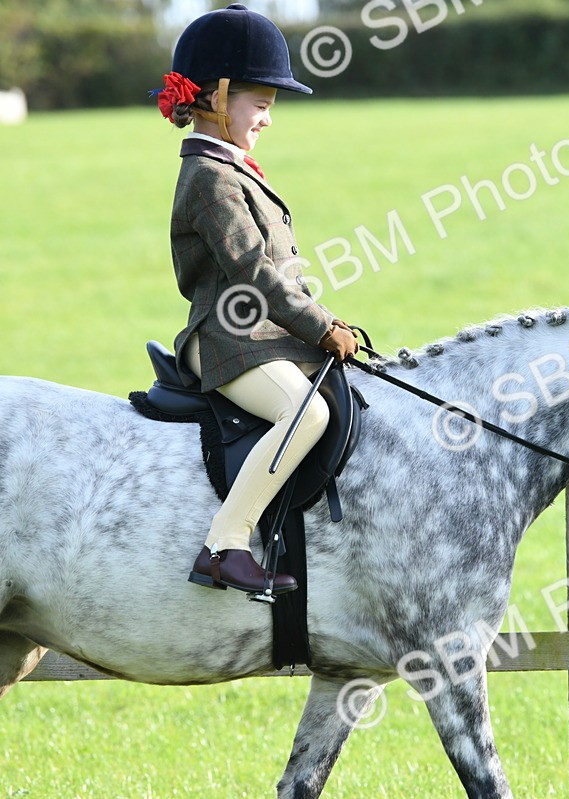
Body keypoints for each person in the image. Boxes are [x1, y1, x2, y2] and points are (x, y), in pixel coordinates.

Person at [155, 3, 358, 594]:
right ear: (218, 100)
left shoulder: (233, 169)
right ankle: (225, 543)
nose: (268, 119)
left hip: (257, 334)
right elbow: (253, 273)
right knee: (306, 412)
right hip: (224, 339)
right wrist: (319, 328)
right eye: (261, 106)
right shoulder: (210, 180)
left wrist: (326, 321)